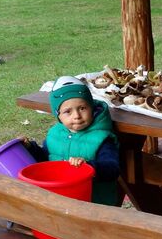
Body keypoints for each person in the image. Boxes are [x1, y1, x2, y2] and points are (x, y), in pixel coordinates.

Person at [25, 76, 120, 207]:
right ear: (58, 115)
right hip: (61, 199)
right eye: (67, 111)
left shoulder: (102, 138)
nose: (76, 116)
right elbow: (46, 160)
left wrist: (89, 167)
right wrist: (30, 147)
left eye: (82, 108)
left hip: (95, 203)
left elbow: (112, 169)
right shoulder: (54, 134)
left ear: (92, 108)